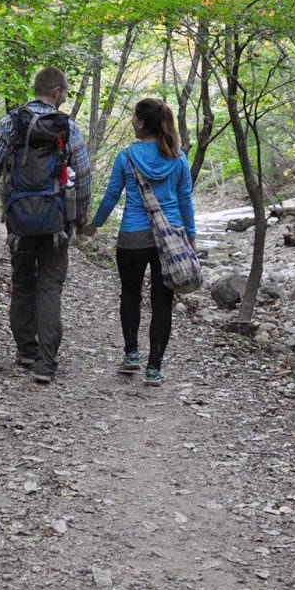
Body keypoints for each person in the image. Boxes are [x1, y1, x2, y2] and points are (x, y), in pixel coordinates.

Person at [0, 68, 92, 384]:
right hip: (56, 223)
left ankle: (26, 351)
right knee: (50, 286)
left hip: (19, 220)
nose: (65, 97)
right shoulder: (67, 127)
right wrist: (80, 218)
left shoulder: (10, 123)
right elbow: (84, 176)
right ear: (55, 90)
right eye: (64, 91)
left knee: (23, 282)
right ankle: (46, 363)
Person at [90, 98, 195, 387]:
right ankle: (154, 367)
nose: (132, 122)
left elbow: (112, 195)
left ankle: (131, 354)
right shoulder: (177, 157)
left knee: (130, 295)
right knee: (163, 303)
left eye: (134, 118)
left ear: (141, 122)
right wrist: (191, 238)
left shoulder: (127, 156)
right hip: (171, 235)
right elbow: (185, 199)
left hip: (132, 235)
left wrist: (94, 224)